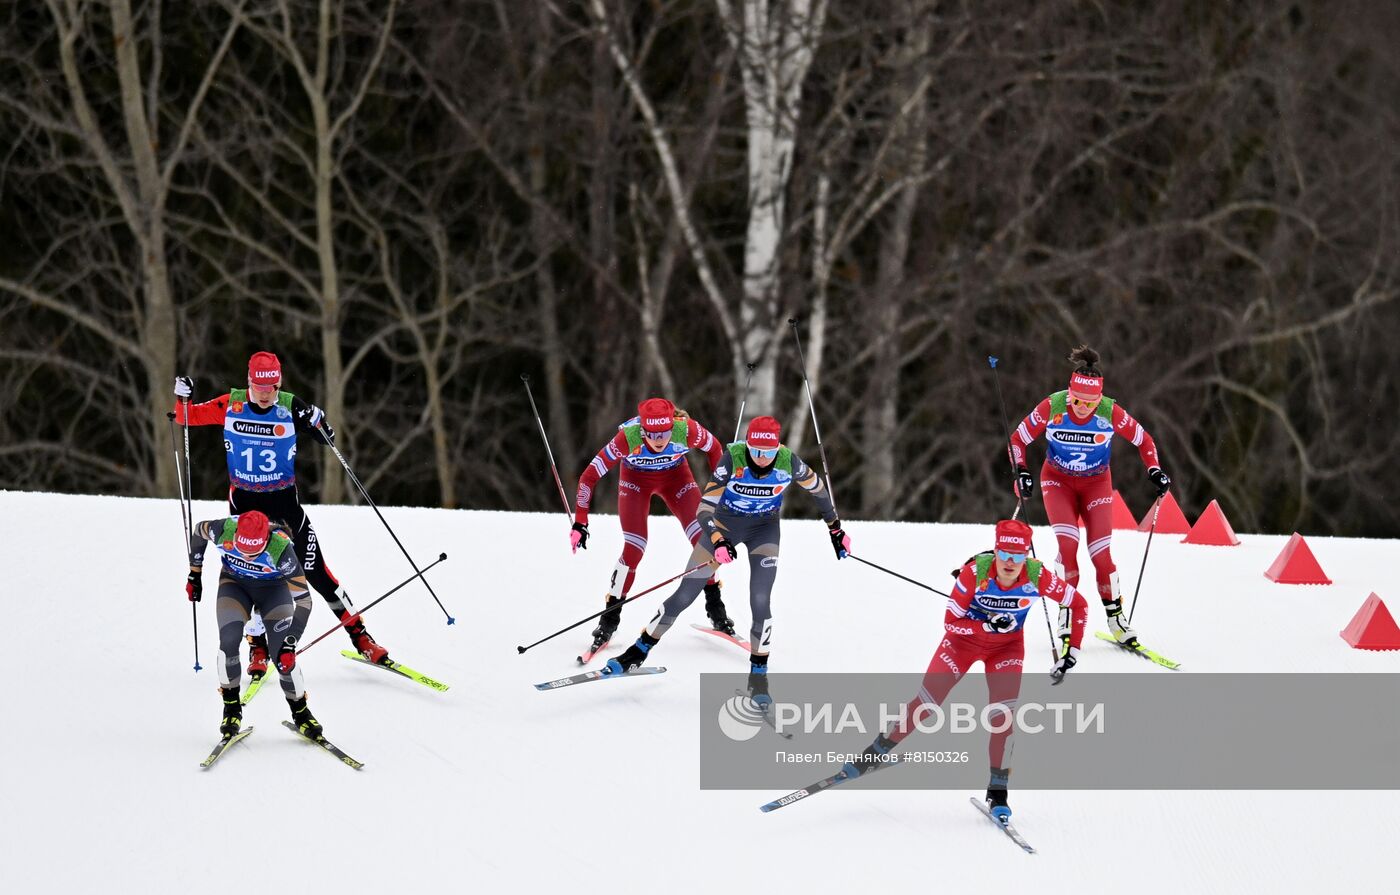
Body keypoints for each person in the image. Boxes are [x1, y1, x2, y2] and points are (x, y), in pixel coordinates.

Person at [842, 519, 1087, 821]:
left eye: (1018, 556)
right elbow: (950, 622)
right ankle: (873, 754)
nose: (1010, 563)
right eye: (1005, 555)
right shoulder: (975, 574)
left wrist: (1071, 652)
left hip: (1006, 650)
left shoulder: (1038, 577)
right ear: (996, 551)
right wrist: (985, 624)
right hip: (962, 642)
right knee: (926, 705)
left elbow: (1080, 604)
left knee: (1003, 718)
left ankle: (998, 792)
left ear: (1027, 556)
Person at [603, 416, 851, 704]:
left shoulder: (789, 461)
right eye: (756, 451)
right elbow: (705, 507)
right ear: (747, 445)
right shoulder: (732, 458)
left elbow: (819, 489)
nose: (761, 458)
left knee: (761, 601)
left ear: (778, 448)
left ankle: (758, 679)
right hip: (723, 526)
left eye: (768, 453)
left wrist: (835, 528)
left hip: (764, 531)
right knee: (685, 593)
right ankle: (638, 652)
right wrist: (718, 539)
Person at [173, 351, 391, 668]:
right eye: (259, 387)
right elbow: (185, 418)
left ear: (279, 383)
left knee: (318, 574)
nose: (265, 394)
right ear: (249, 381)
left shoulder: (290, 406)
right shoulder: (230, 405)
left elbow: (325, 437)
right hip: (245, 512)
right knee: (250, 577)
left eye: (271, 388)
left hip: (286, 508)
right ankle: (258, 647)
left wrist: (320, 422)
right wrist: (183, 398)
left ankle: (361, 637)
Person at [1007, 345, 1170, 649]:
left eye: (1091, 402)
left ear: (1100, 398)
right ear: (1069, 393)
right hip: (1058, 482)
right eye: (1078, 401)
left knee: (1101, 554)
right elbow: (1017, 439)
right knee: (1068, 545)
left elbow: (1144, 440)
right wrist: (1021, 470)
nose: (1083, 408)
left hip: (1096, 483)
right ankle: (1066, 612)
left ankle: (1116, 619)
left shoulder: (1109, 411)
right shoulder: (1053, 406)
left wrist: (1155, 470)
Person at [572, 397, 732, 655]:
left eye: (665, 433)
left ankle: (715, 607)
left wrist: (720, 493)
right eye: (652, 434)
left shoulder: (687, 430)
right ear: (642, 430)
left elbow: (716, 450)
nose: (659, 440)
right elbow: (588, 477)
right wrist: (580, 521)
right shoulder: (628, 438)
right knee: (635, 548)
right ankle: (609, 620)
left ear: (673, 425)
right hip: (635, 482)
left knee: (703, 542)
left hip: (676, 478)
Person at [186, 510, 324, 740]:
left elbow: (304, 601)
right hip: (234, 584)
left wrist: (290, 644)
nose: (248, 557)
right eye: (243, 551)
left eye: (254, 552)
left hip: (273, 591)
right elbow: (199, 530)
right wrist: (194, 573)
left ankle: (301, 712)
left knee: (281, 656)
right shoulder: (223, 530)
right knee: (228, 641)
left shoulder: (281, 549)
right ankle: (231, 710)